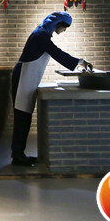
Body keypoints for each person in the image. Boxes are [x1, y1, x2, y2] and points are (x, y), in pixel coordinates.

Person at [11, 12, 92, 166]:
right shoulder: (41, 35)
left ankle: (19, 154)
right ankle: (17, 156)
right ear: (57, 23)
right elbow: (57, 53)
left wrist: (79, 62)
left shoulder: (42, 33)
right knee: (22, 117)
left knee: (24, 117)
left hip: (27, 77)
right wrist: (80, 61)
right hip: (23, 76)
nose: (64, 30)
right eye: (65, 27)